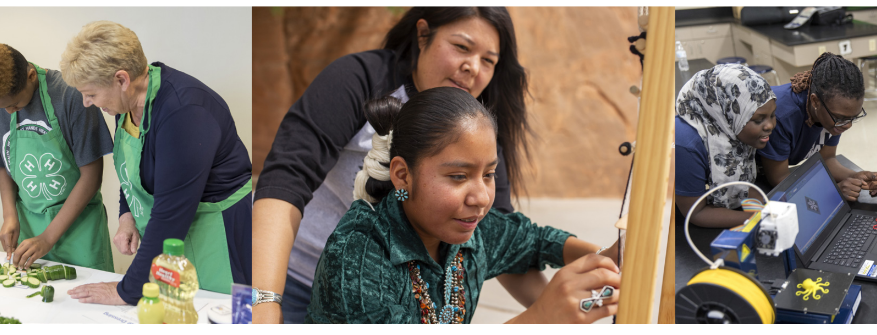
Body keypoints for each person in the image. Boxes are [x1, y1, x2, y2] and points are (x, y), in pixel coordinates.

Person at [253, 7, 546, 324]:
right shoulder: (360, 79)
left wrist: (570, 306)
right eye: (462, 47)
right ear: (423, 35)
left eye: (488, 60)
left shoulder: (476, 125)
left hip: (395, 302)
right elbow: (285, 182)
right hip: (294, 281)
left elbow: (497, 235)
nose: (472, 67)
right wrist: (265, 301)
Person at [307, 87, 620, 324]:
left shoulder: (472, 230)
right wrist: (539, 318)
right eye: (458, 176)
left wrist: (608, 258)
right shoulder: (356, 256)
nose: (482, 197)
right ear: (403, 175)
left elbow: (534, 241)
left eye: (488, 174)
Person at [58, 21, 254, 305]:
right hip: (169, 236)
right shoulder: (125, 104)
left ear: (122, 79)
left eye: (91, 93)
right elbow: (133, 169)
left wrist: (126, 290)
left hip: (215, 236)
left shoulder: (185, 114)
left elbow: (170, 214)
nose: (87, 102)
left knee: (212, 313)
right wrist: (127, 215)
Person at [0, 43, 115, 271]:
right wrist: (9, 215)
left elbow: (92, 176)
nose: (8, 112)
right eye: (2, 107)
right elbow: (4, 163)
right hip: (30, 226)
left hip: (79, 227)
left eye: (14, 104)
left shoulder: (70, 95)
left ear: (31, 76)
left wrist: (48, 237)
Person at [757, 53, 877, 201]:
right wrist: (832, 191)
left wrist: (854, 176)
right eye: (841, 118)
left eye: (853, 117)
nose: (847, 125)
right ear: (815, 102)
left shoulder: (834, 112)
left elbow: (827, 158)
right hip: (749, 178)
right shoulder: (781, 116)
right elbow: (781, 179)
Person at [674, 64, 777, 228]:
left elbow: (743, 185)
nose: (770, 125)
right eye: (758, 120)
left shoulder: (731, 127)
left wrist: (766, 207)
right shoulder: (685, 145)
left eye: (772, 115)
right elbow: (695, 213)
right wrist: (761, 218)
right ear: (728, 112)